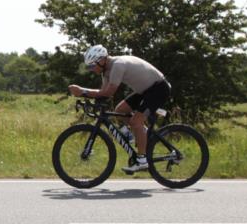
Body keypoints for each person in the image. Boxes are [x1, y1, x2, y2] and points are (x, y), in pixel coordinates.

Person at [67, 45, 171, 173]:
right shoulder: (106, 71)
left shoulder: (117, 65)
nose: (91, 69)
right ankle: (138, 135)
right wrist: (87, 99)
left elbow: (109, 92)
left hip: (158, 89)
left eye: (92, 65)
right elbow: (102, 93)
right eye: (89, 67)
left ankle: (142, 161)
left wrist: (83, 91)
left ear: (102, 60)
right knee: (120, 111)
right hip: (145, 90)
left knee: (135, 122)